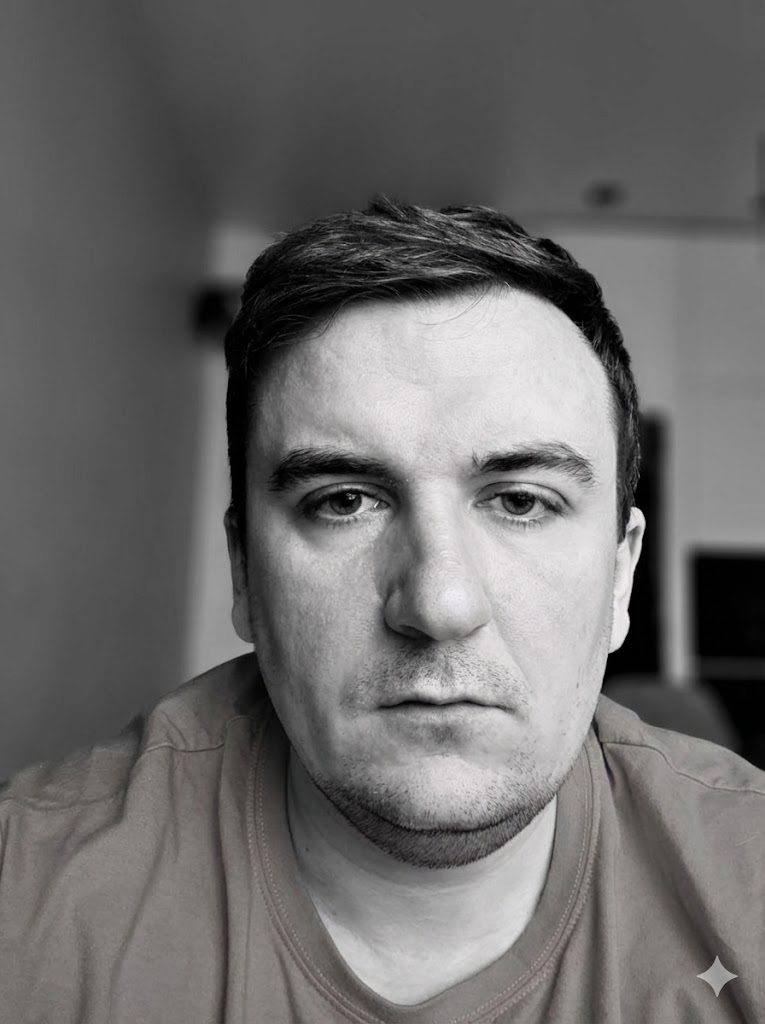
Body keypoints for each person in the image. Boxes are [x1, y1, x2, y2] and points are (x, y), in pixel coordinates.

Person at [0, 198, 762, 1023]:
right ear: (245, 573)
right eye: (344, 501)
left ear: (619, 577)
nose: (439, 603)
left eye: (520, 502)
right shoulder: (26, 903)